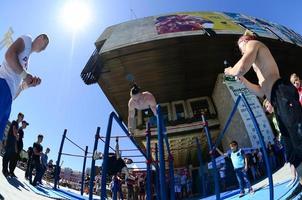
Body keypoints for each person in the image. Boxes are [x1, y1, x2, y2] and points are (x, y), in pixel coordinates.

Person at [224, 30, 302, 198]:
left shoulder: (254, 44)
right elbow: (261, 92)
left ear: (246, 40)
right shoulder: (257, 64)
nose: (242, 51)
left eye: (241, 47)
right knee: (292, 149)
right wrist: (243, 80)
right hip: (274, 98)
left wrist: (231, 71)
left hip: (281, 92)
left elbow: (240, 68)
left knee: (299, 137)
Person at [0, 34, 49, 152]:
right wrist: (24, 75)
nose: (44, 48)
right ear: (40, 38)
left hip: (9, 97)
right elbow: (9, 55)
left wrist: (29, 84)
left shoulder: (26, 63)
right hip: (3, 84)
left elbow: (20, 86)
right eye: (45, 43)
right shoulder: (27, 40)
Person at [2, 112, 24, 177]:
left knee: (8, 157)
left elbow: (16, 138)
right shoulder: (14, 122)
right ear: (18, 116)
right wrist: (16, 135)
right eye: (21, 117)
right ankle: (4, 170)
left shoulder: (17, 125)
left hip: (12, 143)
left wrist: (15, 147)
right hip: (9, 141)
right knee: (6, 156)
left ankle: (6, 170)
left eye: (22, 117)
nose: (22, 118)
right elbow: (14, 132)